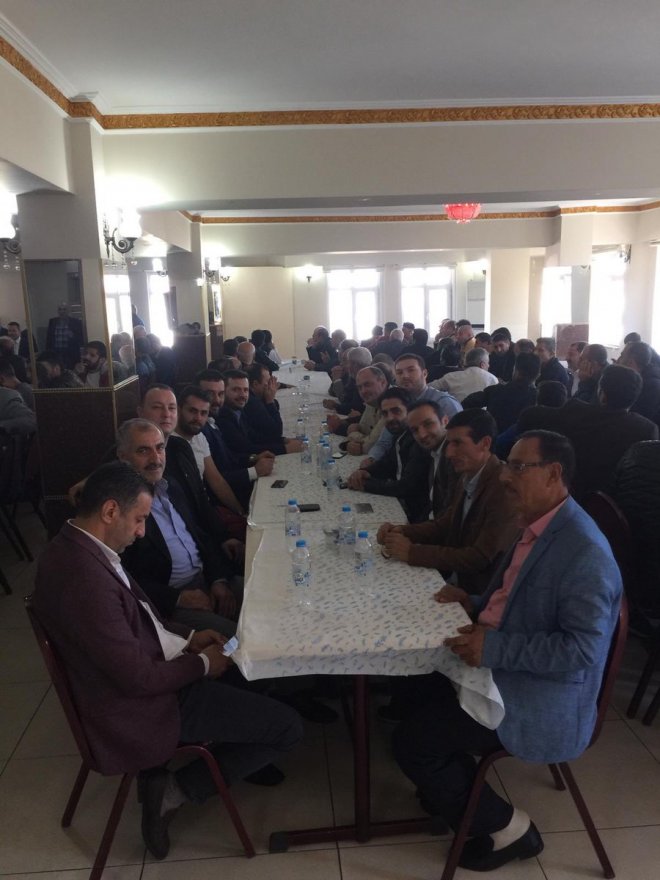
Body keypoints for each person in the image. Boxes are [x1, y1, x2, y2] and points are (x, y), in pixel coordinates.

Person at [33, 461, 302, 860]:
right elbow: (137, 679)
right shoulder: (84, 580)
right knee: (288, 727)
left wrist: (190, 639)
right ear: (110, 511)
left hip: (140, 679)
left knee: (250, 673)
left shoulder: (77, 546)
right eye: (139, 519)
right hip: (140, 706)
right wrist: (203, 664)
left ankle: (229, 742)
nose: (142, 531)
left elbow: (138, 621)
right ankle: (175, 790)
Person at [392, 430, 622, 872]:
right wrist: (473, 602)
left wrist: (495, 647)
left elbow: (582, 650)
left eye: (518, 467)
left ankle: (510, 828)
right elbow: (520, 599)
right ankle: (452, 786)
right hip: (501, 665)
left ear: (553, 473)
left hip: (538, 694)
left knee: (412, 743)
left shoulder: (585, 553)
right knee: (409, 693)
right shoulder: (538, 523)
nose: (504, 476)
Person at [118, 419, 240, 637]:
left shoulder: (172, 486)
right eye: (143, 451)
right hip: (170, 603)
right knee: (236, 639)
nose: (155, 459)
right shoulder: (121, 509)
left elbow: (201, 536)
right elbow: (125, 578)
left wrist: (218, 580)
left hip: (206, 579)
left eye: (159, 448)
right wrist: (179, 598)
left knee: (267, 596)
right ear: (123, 457)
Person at [377, 409, 519, 594]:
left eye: (457, 443)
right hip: (454, 577)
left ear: (485, 443)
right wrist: (401, 531)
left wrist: (412, 552)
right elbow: (446, 524)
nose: (449, 453)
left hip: (474, 593)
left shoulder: (503, 489)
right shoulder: (468, 475)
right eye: (449, 443)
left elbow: (480, 558)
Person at [518, 364, 659, 499]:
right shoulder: (646, 430)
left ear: (602, 393)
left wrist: (585, 383)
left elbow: (535, 416)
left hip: (564, 493)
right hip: (610, 506)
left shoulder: (575, 411)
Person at [347, 388, 433, 522]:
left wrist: (365, 485)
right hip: (402, 505)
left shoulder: (418, 441)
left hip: (416, 516)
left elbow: (406, 487)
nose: (390, 418)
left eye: (396, 411)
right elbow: (389, 463)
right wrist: (366, 472)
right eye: (385, 413)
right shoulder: (401, 434)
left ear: (410, 410)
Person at [196, 369, 274, 509]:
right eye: (209, 394)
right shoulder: (198, 432)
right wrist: (254, 471)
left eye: (220, 394)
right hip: (222, 502)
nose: (217, 400)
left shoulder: (211, 422)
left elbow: (229, 458)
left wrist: (254, 458)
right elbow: (213, 482)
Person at [363, 353, 462, 465]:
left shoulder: (444, 403)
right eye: (399, 372)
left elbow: (459, 444)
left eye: (411, 370)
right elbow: (384, 442)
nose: (405, 376)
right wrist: (371, 460)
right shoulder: (397, 403)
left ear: (424, 373)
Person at [172, 386, 246, 517]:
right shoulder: (169, 443)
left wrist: (241, 513)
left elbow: (217, 481)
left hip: (207, 509)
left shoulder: (199, 437)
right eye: (192, 411)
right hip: (190, 515)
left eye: (203, 413)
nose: (198, 418)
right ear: (178, 409)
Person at [215, 370, 302, 456]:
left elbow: (253, 437)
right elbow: (245, 448)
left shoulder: (237, 410)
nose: (242, 395)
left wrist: (283, 440)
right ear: (223, 392)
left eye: (245, 390)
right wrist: (285, 449)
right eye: (236, 390)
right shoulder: (222, 417)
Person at [463, 352, 540, 432]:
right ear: (538, 375)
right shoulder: (538, 399)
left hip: (492, 436)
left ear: (516, 370)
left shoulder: (495, 391)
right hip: (522, 439)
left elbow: (467, 403)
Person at [343, 365, 390, 456]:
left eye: (367, 385)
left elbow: (370, 445)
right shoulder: (372, 400)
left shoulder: (392, 404)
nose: (363, 391)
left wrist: (352, 433)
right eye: (359, 387)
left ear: (383, 382)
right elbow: (363, 429)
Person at [431, 347, 498, 401]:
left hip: (456, 413)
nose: (488, 366)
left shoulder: (451, 376)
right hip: (482, 414)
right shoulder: (493, 379)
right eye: (488, 363)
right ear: (482, 365)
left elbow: (428, 388)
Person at [618, 340, 660, 424]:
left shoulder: (652, 387)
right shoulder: (636, 379)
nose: (618, 360)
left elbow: (636, 422)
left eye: (621, 356)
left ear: (631, 362)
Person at [45, 302, 85, 369]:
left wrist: (72, 336)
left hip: (70, 354)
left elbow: (81, 339)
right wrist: (48, 354)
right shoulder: (52, 321)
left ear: (68, 311)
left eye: (64, 309)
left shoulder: (75, 322)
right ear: (58, 311)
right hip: (56, 353)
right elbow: (49, 339)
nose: (62, 311)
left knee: (71, 371)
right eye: (60, 309)